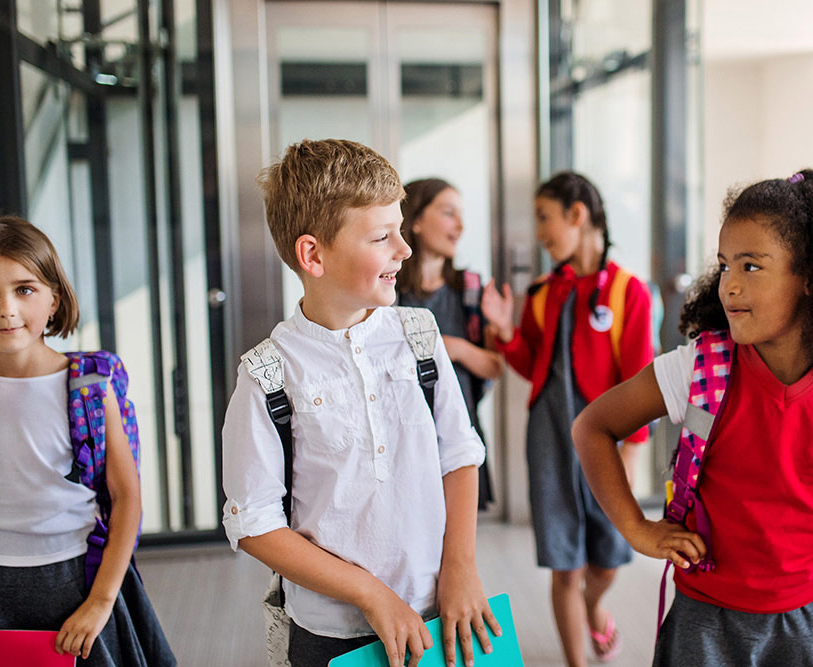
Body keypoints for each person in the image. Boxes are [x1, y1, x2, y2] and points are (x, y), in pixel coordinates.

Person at [572, 169, 813, 667]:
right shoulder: (698, 367)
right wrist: (637, 528)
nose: (729, 286)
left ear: (812, 276)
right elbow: (592, 426)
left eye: (751, 266)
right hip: (705, 623)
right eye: (725, 266)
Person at [221, 139, 500, 667]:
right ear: (313, 254)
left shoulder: (420, 334)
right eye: (382, 236)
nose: (405, 249)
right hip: (332, 633)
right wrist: (372, 595)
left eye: (401, 228)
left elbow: (459, 454)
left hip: (439, 607)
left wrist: (461, 566)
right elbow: (255, 524)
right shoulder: (267, 374)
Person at [0, 217, 175, 666]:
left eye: (24, 289)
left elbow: (125, 498)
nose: (6, 309)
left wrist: (101, 602)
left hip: (79, 579)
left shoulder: (91, 386)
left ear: (54, 299)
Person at [481, 172, 653, 666]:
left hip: (608, 448)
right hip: (550, 443)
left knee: (607, 562)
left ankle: (595, 606)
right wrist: (504, 330)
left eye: (544, 217)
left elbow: (641, 384)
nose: (540, 231)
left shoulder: (629, 293)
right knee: (564, 566)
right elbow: (530, 364)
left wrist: (633, 454)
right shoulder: (542, 292)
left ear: (577, 215)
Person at [396, 178, 503, 510]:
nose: (460, 225)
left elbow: (494, 365)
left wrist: (449, 348)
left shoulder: (471, 291)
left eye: (461, 214)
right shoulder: (388, 291)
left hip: (459, 433)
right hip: (403, 438)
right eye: (448, 213)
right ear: (415, 220)